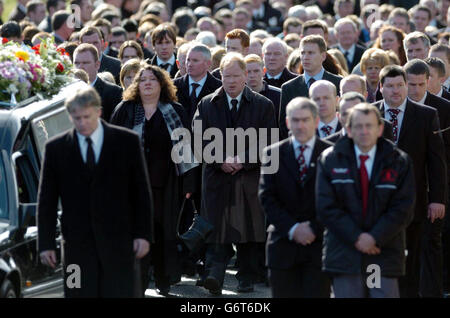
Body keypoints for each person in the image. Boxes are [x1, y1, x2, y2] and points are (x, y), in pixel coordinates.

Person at [37, 86, 154, 297]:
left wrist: (143, 234)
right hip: (75, 247)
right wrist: (45, 244)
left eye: (87, 117)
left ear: (99, 112)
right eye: (76, 118)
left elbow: (140, 193)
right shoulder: (56, 149)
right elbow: (47, 201)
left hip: (119, 243)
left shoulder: (126, 142)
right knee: (77, 293)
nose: (82, 123)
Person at [193, 52, 277, 295]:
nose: (230, 81)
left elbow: (269, 141)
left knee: (248, 229)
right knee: (216, 230)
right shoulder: (207, 103)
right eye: (226, 75)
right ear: (220, 76)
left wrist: (244, 160)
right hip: (217, 178)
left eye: (236, 75)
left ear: (246, 76)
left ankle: (246, 277)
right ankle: (214, 276)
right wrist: (221, 160)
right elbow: (198, 139)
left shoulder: (263, 105)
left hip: (248, 177)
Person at [111, 64, 197, 296]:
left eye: (152, 79)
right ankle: (136, 280)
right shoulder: (125, 109)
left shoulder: (175, 111)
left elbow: (186, 150)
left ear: (162, 84)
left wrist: (189, 185)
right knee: (136, 231)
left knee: (163, 234)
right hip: (132, 185)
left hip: (166, 185)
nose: (147, 83)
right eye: (142, 79)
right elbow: (112, 149)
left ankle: (163, 278)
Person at [316, 103, 416, 298]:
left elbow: (403, 208)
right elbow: (326, 207)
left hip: (382, 254)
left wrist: (373, 237)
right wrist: (357, 238)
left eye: (369, 125)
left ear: (380, 129)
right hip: (345, 254)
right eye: (358, 126)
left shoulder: (399, 161)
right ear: (348, 130)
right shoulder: (330, 160)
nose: (364, 131)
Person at [373, 65, 447, 297]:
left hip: (414, 203)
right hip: (376, 206)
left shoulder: (426, 115)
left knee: (411, 263)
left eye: (400, 85)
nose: (395, 91)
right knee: (377, 262)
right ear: (381, 88)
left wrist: (437, 200)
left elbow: (436, 162)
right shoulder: (369, 115)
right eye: (390, 86)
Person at [259, 97, 332, 298]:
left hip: (319, 247)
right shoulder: (272, 153)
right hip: (282, 245)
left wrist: (313, 228)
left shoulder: (331, 154)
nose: (300, 125)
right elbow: (267, 197)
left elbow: (336, 200)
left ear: (316, 121)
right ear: (287, 122)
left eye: (305, 120)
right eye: (295, 120)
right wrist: (293, 229)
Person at [403, 59, 450, 297]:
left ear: (428, 81)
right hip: (400, 193)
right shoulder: (390, 108)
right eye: (411, 84)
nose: (416, 89)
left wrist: (439, 197)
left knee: (431, 246)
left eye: (421, 84)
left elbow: (441, 159)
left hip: (430, 191)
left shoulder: (443, 109)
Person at [280, 35, 342, 139]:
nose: (305, 57)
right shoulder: (288, 87)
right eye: (303, 53)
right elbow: (284, 124)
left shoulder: (338, 82)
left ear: (323, 56)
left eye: (311, 53)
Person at [73, 43, 123, 122]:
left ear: (97, 65)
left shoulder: (114, 93)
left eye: (85, 63)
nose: (80, 67)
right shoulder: (67, 93)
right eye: (76, 63)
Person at [326, 92, 394, 143]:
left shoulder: (384, 145)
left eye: (356, 113)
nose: (350, 118)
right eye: (345, 114)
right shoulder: (328, 145)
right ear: (338, 116)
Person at [245, 54, 281, 126]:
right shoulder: (236, 96)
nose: (252, 75)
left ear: (263, 71)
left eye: (256, 71)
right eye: (248, 72)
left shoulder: (279, 95)